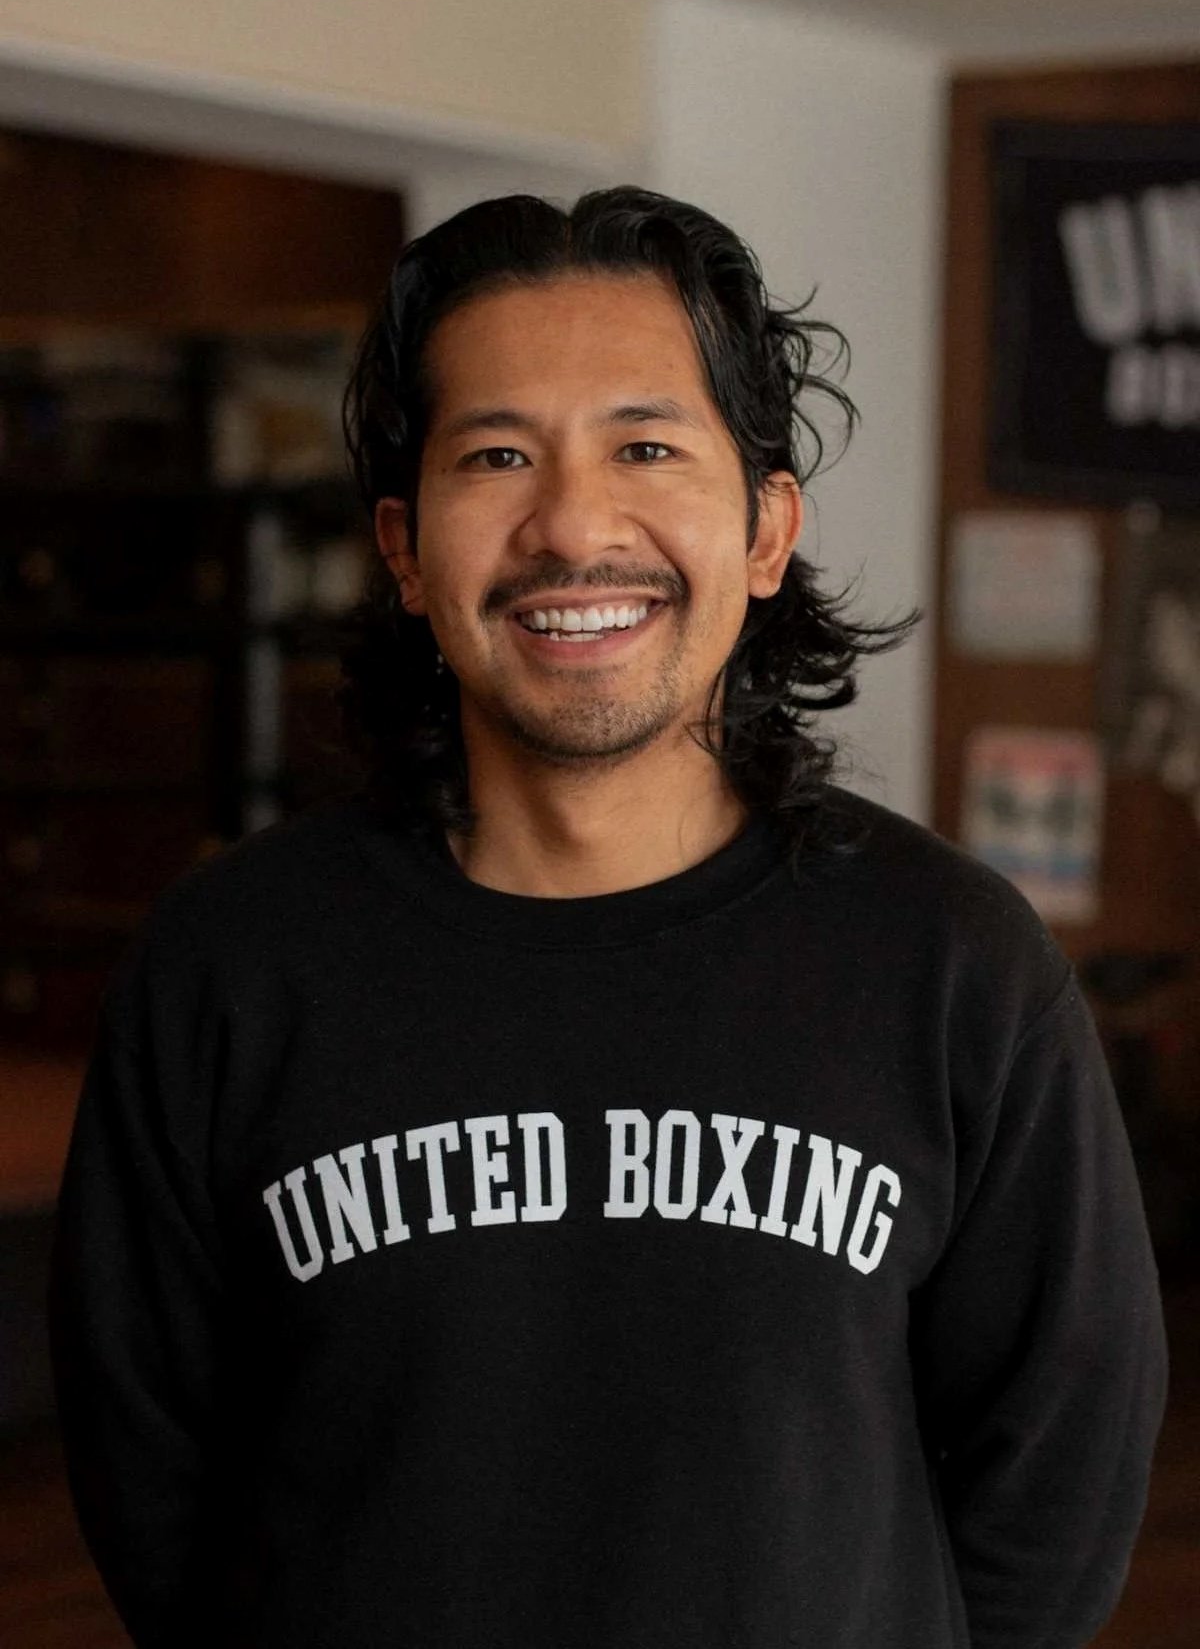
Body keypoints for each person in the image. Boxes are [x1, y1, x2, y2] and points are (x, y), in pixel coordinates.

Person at [48, 186, 1167, 1649]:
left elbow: (1061, 1474)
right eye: (497, 454)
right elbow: (148, 1467)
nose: (573, 525)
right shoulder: (230, 967)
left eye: (646, 446)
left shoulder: (949, 961)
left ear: (767, 531)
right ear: (403, 550)